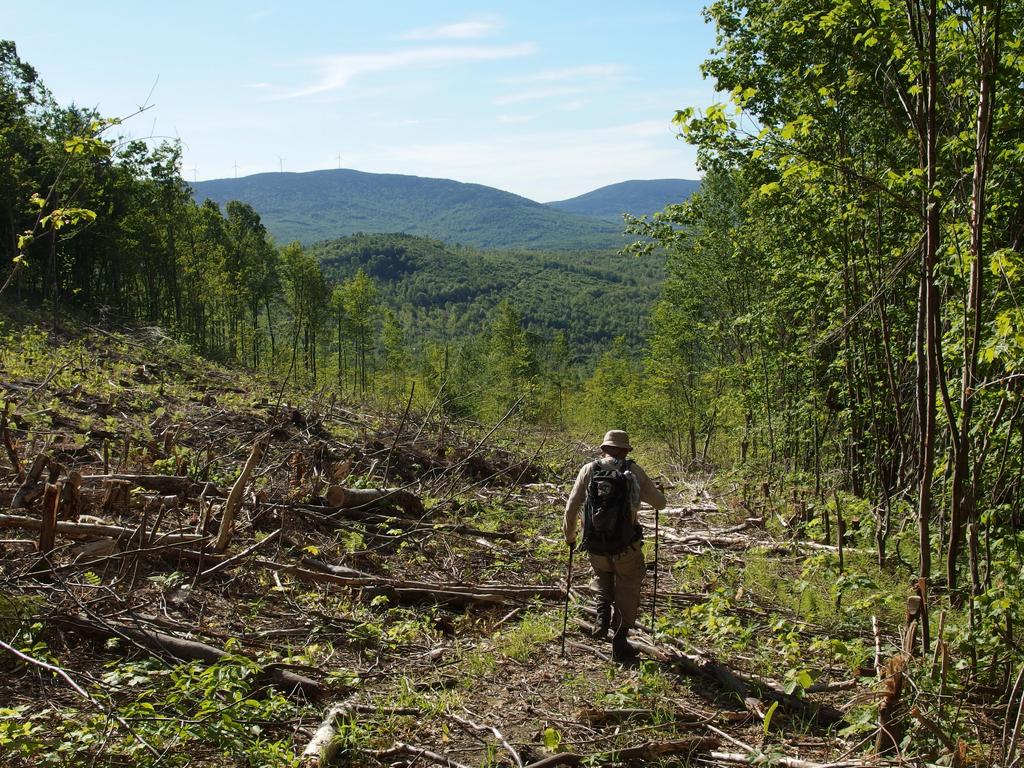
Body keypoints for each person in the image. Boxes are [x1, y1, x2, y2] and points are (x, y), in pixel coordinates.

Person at [564, 429, 666, 662]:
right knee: (627, 586)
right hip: (625, 547)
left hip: (595, 544)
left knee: (601, 575)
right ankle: (620, 640)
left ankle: (602, 615)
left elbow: (571, 508)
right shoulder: (634, 471)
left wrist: (570, 537)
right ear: (624, 450)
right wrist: (657, 492)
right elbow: (660, 504)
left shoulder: (589, 470)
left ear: (604, 448)